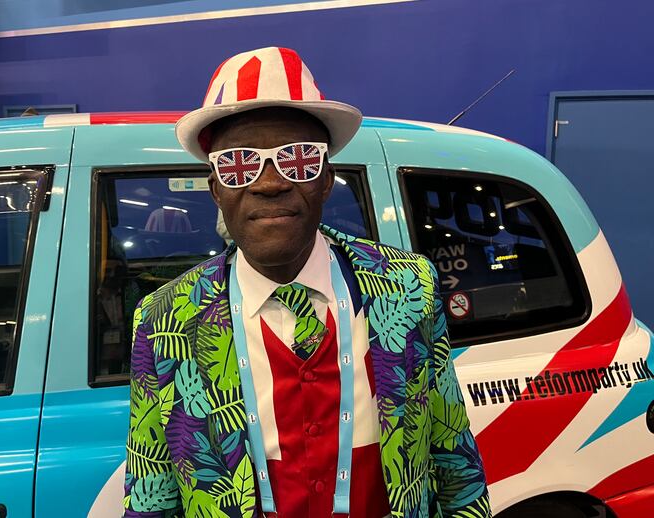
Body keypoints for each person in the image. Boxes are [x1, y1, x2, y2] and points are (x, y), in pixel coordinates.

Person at [124, 47, 490, 518]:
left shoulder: (407, 287)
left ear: (326, 180)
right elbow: (151, 494)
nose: (270, 182)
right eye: (239, 163)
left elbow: (454, 462)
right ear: (216, 189)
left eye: (297, 159)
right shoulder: (163, 319)